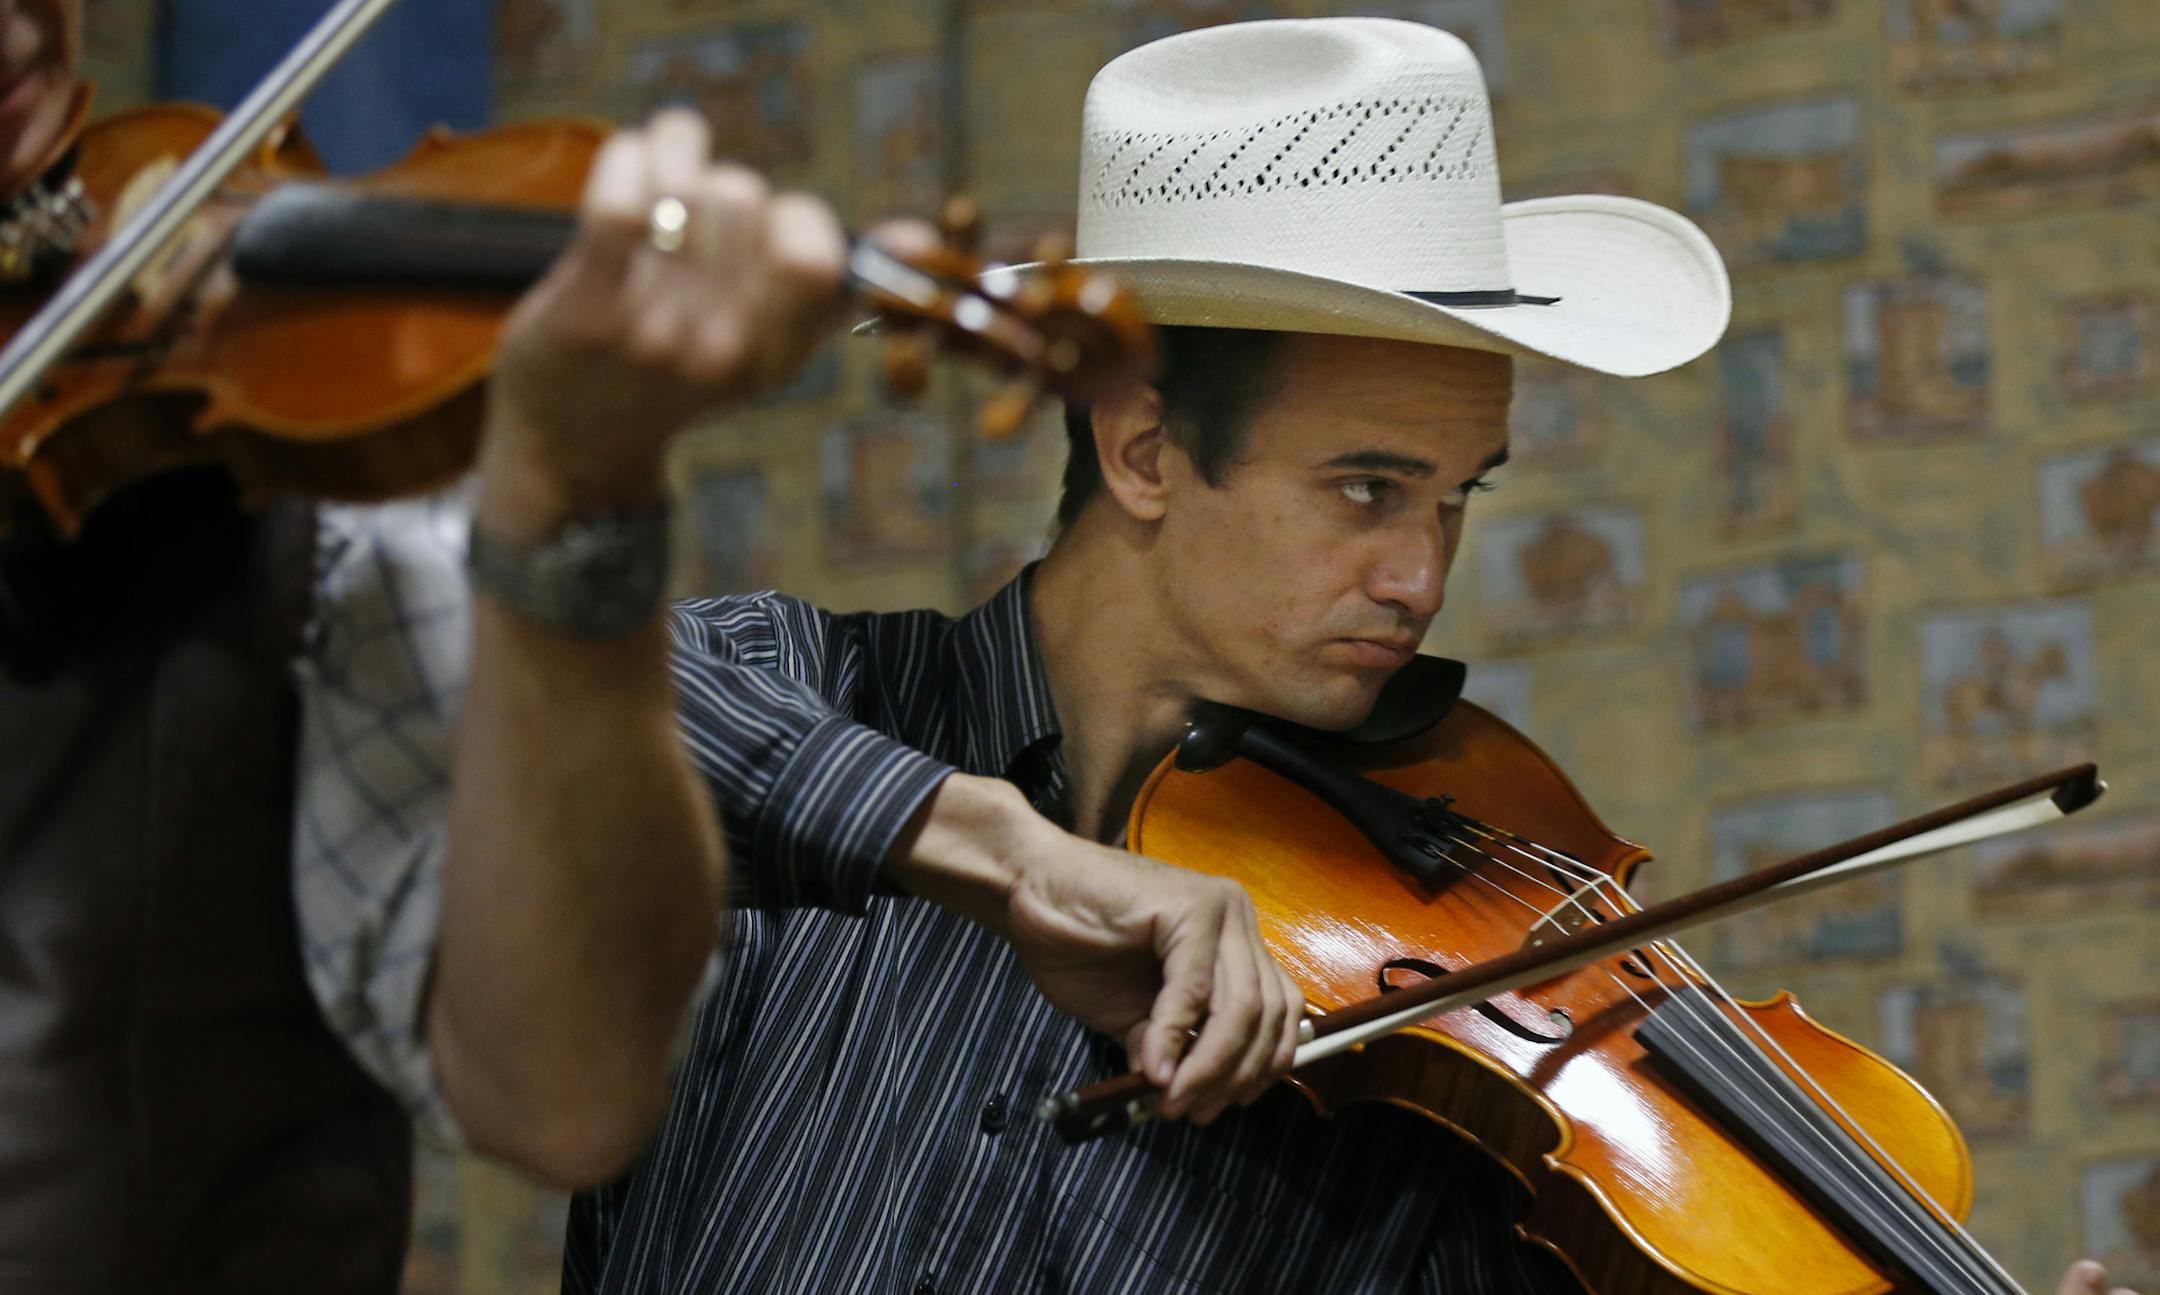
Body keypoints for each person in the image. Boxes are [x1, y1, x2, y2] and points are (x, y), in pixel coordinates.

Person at [299, 15, 2137, 1295]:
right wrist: (1003, 850)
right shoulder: (795, 684)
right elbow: (554, 667)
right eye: (1366, 488)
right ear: (1143, 447)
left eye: (1459, 498)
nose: (1422, 575)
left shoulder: (1425, 1051)